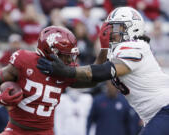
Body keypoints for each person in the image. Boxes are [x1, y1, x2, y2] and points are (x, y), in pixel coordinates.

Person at [36, 7, 169, 135]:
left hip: (164, 109)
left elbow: (104, 71)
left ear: (132, 27)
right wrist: (104, 50)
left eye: (116, 28)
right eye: (111, 28)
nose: (112, 32)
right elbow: (94, 78)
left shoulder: (136, 46)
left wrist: (66, 71)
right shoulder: (119, 52)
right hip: (156, 114)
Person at [0, 25, 90, 135]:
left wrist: (104, 51)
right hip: (16, 130)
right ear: (51, 51)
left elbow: (93, 80)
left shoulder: (65, 72)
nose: (70, 60)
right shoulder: (24, 60)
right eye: (65, 56)